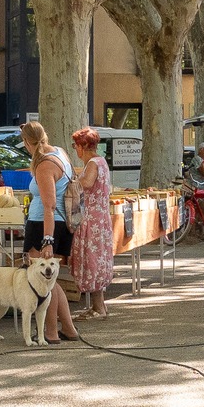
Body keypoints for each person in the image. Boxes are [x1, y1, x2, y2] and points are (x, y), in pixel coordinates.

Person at [21, 121, 80, 341]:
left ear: (27, 142)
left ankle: (51, 332)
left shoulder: (44, 165)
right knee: (52, 282)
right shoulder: (59, 152)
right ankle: (69, 328)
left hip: (44, 226)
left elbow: (49, 205)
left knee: (44, 282)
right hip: (59, 224)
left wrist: (47, 240)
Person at [66, 127, 115, 317]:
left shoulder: (93, 163)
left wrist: (70, 177)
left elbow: (86, 183)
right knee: (96, 261)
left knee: (91, 261)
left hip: (91, 220)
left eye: (76, 145)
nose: (75, 150)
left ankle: (98, 307)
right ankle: (98, 306)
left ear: (83, 146)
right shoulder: (101, 161)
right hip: (99, 219)